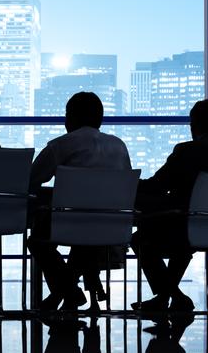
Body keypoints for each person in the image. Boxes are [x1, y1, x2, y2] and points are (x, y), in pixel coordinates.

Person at [133, 100, 208, 316]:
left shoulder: (186, 151)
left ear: (193, 124)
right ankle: (168, 298)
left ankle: (174, 296)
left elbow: (158, 185)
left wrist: (128, 183)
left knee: (140, 239)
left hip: (185, 227)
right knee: (181, 243)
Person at [28, 92, 132, 312]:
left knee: (38, 241)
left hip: (72, 223)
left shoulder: (61, 145)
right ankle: (65, 294)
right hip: (112, 227)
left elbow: (31, 179)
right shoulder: (119, 147)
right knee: (84, 239)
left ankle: (68, 293)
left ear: (71, 117)